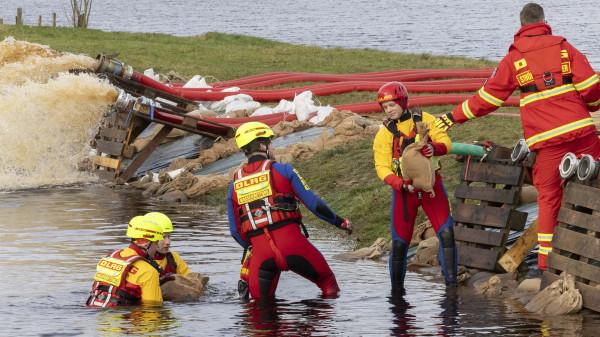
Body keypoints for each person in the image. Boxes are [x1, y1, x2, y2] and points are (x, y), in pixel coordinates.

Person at [434, 3, 600, 271]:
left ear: (521, 25)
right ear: (545, 21)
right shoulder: (564, 48)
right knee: (594, 185)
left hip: (546, 141)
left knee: (548, 198)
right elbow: (591, 88)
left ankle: (547, 267)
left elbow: (488, 98)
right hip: (581, 132)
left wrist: (452, 117)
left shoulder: (515, 58)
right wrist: (592, 106)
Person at [227, 121, 352, 301]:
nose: (272, 147)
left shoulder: (234, 185)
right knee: (328, 285)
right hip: (293, 245)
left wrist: (255, 247)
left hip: (260, 256)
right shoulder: (284, 170)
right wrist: (341, 222)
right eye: (270, 143)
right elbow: (315, 205)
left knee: (260, 312)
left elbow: (235, 231)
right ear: (263, 145)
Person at [373, 81, 457, 294]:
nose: (389, 110)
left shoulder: (426, 120)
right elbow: (381, 167)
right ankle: (397, 296)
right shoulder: (384, 134)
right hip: (404, 192)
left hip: (431, 187)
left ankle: (451, 288)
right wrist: (399, 184)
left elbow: (446, 142)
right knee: (399, 244)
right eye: (385, 107)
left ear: (402, 101)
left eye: (392, 105)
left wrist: (432, 147)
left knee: (446, 234)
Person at [86, 216, 164, 307]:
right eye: (156, 243)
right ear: (147, 244)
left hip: (96, 313)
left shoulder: (109, 257)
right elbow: (153, 309)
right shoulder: (148, 271)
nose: (157, 248)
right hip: (123, 318)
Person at [146, 212, 190, 280]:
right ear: (149, 239)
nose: (168, 242)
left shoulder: (174, 258)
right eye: (163, 237)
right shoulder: (141, 262)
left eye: (169, 237)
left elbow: (189, 279)